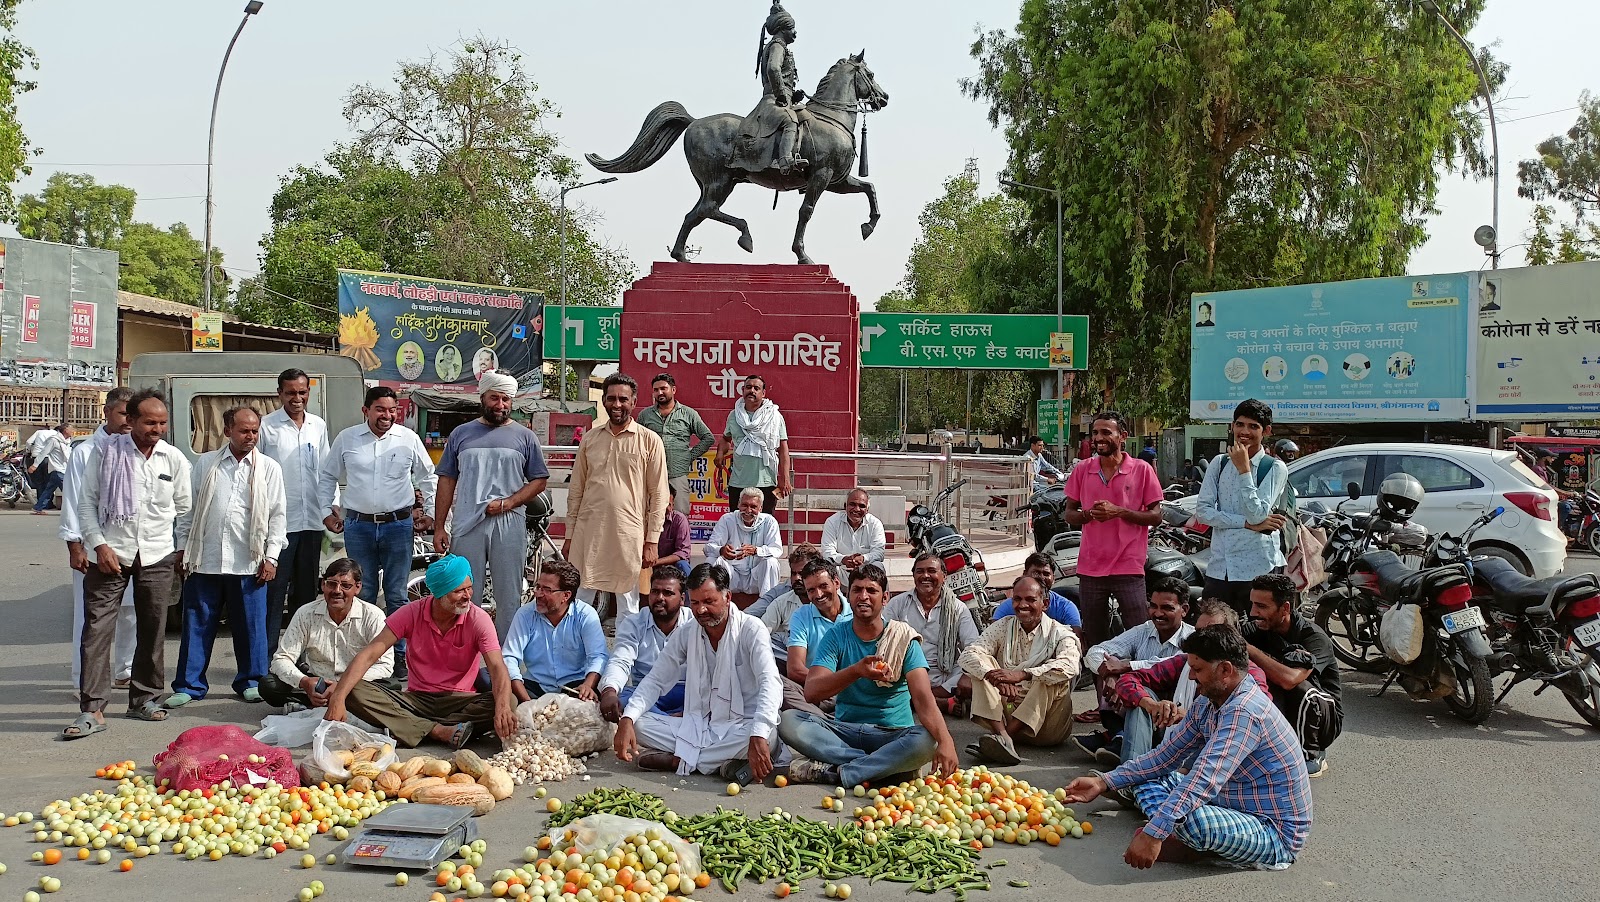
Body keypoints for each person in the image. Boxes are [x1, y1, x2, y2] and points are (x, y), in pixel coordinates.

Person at [1063, 625, 1311, 871]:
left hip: (1271, 832)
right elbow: (1165, 756)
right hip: (1225, 803)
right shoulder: (1208, 702)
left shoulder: (1245, 712)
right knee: (1146, 779)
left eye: (1197, 669)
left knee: (1194, 822)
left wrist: (1154, 832)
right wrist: (1104, 782)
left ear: (1225, 670)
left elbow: (1205, 778)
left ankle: (1187, 842)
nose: (1191, 677)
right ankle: (1184, 837)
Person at [64, 389, 192, 738]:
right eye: (149, 422)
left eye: (162, 423)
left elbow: (184, 510)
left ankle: (144, 700)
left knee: (153, 628)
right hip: (110, 554)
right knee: (96, 631)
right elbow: (86, 505)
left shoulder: (173, 459)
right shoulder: (104, 454)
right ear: (131, 421)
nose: (157, 429)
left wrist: (179, 551)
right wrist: (98, 545)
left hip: (157, 554)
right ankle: (92, 710)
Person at [779, 564, 960, 787]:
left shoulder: (903, 638)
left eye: (871, 591)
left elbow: (923, 699)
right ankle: (886, 768)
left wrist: (946, 741)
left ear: (885, 598)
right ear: (849, 594)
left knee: (926, 740)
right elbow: (812, 691)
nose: (863, 597)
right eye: (857, 590)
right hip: (845, 732)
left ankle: (839, 772)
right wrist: (856, 671)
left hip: (892, 735)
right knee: (788, 721)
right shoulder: (836, 636)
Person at [324, 555, 518, 749]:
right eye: (458, 591)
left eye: (469, 588)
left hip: (459, 701)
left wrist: (502, 708)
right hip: (416, 701)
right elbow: (369, 655)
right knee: (351, 690)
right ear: (440, 594)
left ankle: (411, 728)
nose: (468, 596)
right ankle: (438, 731)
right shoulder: (411, 613)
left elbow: (496, 667)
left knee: (508, 700)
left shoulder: (477, 618)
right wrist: (338, 698)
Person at [614, 563, 784, 785]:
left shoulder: (751, 629)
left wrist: (758, 734)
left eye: (709, 602)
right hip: (699, 724)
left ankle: (681, 761)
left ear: (727, 597)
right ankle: (716, 763)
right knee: (639, 725)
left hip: (742, 726)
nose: (701, 610)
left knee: (768, 736)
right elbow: (656, 679)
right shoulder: (688, 632)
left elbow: (770, 683)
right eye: (695, 603)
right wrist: (627, 718)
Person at [166, 407, 287, 707]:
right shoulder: (206, 464)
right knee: (197, 623)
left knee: (251, 626)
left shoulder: (269, 468)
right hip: (204, 560)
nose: (250, 437)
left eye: (255, 431)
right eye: (244, 431)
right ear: (227, 431)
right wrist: (182, 548)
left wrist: (271, 557)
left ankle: (251, 681)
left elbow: (277, 517)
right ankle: (189, 686)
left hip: (250, 562)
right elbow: (188, 511)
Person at [320, 386, 437, 659]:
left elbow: (428, 476)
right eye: (380, 409)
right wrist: (326, 511)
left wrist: (430, 512)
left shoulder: (407, 438)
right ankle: (363, 656)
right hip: (358, 526)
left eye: (392, 410)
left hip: (398, 525)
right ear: (366, 411)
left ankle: (398, 657)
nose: (387, 415)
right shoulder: (347, 439)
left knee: (397, 594)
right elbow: (327, 476)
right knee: (363, 592)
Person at [433, 370, 551, 638]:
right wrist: (440, 526)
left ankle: (506, 659)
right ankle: (464, 649)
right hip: (467, 521)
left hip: (509, 522)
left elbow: (539, 480)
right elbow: (447, 481)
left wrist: (509, 502)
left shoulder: (525, 436)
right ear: (483, 398)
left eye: (506, 400)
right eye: (495, 398)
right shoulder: (461, 434)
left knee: (509, 593)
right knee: (462, 591)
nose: (501, 405)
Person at [1061, 410, 1163, 714]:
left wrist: (1119, 512)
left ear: (1122, 437)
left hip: (1129, 567)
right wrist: (1091, 514)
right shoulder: (1083, 470)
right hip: (1091, 568)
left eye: (1106, 432)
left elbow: (1157, 515)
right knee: (1095, 641)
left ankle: (1141, 702)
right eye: (1096, 433)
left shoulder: (1141, 469)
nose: (1099, 439)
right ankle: (1104, 706)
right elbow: (1069, 514)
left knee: (1140, 634)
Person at [563, 373, 668, 621]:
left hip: (628, 534)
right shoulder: (590, 439)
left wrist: (652, 541)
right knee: (582, 601)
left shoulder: (649, 440)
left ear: (634, 402)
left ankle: (624, 660)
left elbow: (659, 495)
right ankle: (581, 657)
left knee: (628, 605)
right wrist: (569, 535)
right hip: (589, 532)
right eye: (611, 399)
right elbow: (576, 490)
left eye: (623, 399)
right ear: (603, 400)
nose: (617, 404)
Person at [1114, 597, 1269, 764]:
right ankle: (1131, 774)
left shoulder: (1249, 676)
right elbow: (1128, 680)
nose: (1199, 640)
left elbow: (1250, 722)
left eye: (1209, 634)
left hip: (1216, 756)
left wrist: (1190, 718)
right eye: (1198, 632)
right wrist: (1151, 704)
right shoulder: (1186, 662)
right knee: (1141, 702)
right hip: (1174, 739)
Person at [60, 387, 137, 692]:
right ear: (106, 412)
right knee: (90, 617)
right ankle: (84, 679)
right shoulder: (86, 451)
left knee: (130, 612)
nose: (128, 422)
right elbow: (73, 502)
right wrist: (75, 545)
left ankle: (125, 669)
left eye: (134, 415)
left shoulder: (138, 449)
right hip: (93, 547)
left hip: (130, 545)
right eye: (122, 414)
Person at [958, 576, 1080, 765]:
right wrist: (997, 679)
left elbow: (1070, 665)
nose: (1023, 605)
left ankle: (1006, 737)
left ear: (1045, 603)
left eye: (1030, 600)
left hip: (1047, 727)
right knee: (981, 664)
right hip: (1008, 709)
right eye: (1017, 599)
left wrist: (1022, 675)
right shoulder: (1004, 626)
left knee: (1052, 676)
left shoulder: (1060, 633)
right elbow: (968, 655)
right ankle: (1004, 736)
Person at [1074, 577, 1195, 765]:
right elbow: (1095, 652)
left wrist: (1126, 666)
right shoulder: (1143, 631)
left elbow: (1174, 663)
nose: (1158, 613)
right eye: (1153, 606)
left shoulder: (1193, 637)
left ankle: (1122, 746)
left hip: (1174, 714)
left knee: (1133, 684)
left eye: (1167, 608)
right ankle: (1119, 737)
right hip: (1139, 704)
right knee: (1109, 670)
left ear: (1184, 610)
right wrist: (1112, 675)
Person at [258, 369, 333, 656]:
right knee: (274, 594)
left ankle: (300, 656)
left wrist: (330, 507)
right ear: (280, 393)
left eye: (302, 392)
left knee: (305, 594)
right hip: (279, 525)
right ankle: (266, 658)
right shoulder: (267, 426)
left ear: (308, 393)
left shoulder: (318, 425)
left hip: (312, 521)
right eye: (290, 393)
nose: (297, 398)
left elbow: (325, 472)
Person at [1242, 574, 1341, 777]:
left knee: (1300, 688)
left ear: (1285, 608)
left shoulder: (1314, 638)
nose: (1253, 612)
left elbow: (1290, 680)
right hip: (1286, 710)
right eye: (1252, 605)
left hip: (1323, 718)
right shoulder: (1256, 629)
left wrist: (1250, 651)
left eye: (1261, 606)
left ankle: (1311, 754)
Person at [260, 558, 393, 709]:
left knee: (391, 687)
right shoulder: (305, 613)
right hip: (318, 683)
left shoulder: (373, 615)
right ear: (323, 585)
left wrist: (342, 685)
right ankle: (318, 701)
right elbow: (281, 659)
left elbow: (385, 665)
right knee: (269, 686)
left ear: (357, 588)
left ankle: (311, 706)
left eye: (345, 586)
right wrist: (304, 682)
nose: (337, 591)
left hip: (357, 685)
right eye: (332, 584)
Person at [1195, 398, 1288, 614]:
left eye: (1253, 426)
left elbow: (1258, 515)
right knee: (1215, 632)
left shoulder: (1274, 467)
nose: (1244, 431)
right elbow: (1203, 512)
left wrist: (1245, 470)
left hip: (1258, 568)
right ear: (1232, 426)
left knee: (1255, 634)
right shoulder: (1219, 463)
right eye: (1240, 424)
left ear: (1266, 431)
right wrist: (1245, 524)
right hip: (1220, 567)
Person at [501, 559, 608, 703]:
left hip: (575, 686)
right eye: (538, 587)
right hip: (534, 686)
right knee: (497, 687)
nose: (538, 594)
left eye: (547, 590)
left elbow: (598, 656)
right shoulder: (525, 614)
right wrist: (528, 703)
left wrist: (588, 686)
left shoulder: (585, 615)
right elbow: (509, 658)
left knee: (598, 701)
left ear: (566, 595)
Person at [599, 565, 695, 722]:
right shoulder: (634, 623)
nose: (660, 598)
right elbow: (621, 661)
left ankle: (664, 722)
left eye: (668, 593)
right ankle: (675, 722)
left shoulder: (694, 623)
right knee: (623, 703)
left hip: (687, 692)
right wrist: (609, 691)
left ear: (682, 599)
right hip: (646, 692)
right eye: (655, 591)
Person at [885, 553, 979, 711]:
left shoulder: (957, 608)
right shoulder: (898, 604)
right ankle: (939, 703)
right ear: (913, 575)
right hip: (906, 674)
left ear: (944, 576)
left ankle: (919, 699)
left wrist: (968, 675)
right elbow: (882, 638)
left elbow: (973, 646)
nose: (925, 576)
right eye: (920, 571)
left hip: (946, 677)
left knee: (974, 677)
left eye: (931, 571)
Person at [729, 2, 807, 175]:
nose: (795, 33)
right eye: (792, 28)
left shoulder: (780, 46)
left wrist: (792, 96)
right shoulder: (777, 45)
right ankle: (784, 161)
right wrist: (781, 95)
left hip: (782, 98)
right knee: (790, 121)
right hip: (772, 99)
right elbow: (773, 69)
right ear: (782, 28)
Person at [637, 373, 716, 516]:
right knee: (649, 515)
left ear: (673, 390)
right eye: (656, 390)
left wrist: (688, 457)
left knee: (679, 517)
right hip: (651, 475)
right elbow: (636, 442)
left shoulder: (688, 414)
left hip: (677, 474)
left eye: (663, 388)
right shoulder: (645, 415)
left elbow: (708, 438)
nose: (659, 393)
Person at [718, 375, 791, 515]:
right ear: (742, 390)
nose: (751, 391)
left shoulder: (774, 416)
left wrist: (785, 478)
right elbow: (726, 439)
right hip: (738, 482)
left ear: (763, 393)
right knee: (737, 524)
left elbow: (783, 449)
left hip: (766, 482)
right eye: (748, 387)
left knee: (764, 523)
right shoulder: (734, 415)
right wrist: (720, 454)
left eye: (756, 388)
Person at [705, 487, 785, 600]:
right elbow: (708, 548)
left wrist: (756, 551)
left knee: (771, 562)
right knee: (712, 561)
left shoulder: (769, 521)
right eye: (744, 505)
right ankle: (715, 601)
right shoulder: (727, 519)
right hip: (733, 575)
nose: (748, 510)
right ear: (738, 505)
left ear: (760, 508)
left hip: (756, 577)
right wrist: (721, 550)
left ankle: (767, 604)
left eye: (753, 507)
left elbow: (777, 550)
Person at [784, 559, 852, 689]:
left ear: (836, 583)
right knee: (780, 685)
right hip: (818, 689)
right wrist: (832, 684)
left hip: (852, 690)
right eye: (811, 590)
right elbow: (795, 669)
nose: (818, 595)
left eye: (823, 586)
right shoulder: (801, 615)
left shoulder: (856, 612)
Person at [991, 552, 1083, 629]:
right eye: (1036, 572)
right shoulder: (1005, 609)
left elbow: (1076, 644)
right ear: (1024, 574)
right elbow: (991, 639)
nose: (1041, 578)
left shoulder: (1066, 609)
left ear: (1045, 604)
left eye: (1046, 574)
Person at [820, 488, 885, 570]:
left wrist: (863, 558)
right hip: (840, 568)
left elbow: (879, 553)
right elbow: (827, 552)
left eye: (862, 506)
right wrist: (844, 559)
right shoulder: (832, 522)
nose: (856, 509)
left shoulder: (875, 524)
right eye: (852, 504)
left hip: (865, 570)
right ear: (845, 506)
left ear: (867, 510)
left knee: (878, 566)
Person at [29, 423, 71, 514]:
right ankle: (73, 510)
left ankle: (38, 507)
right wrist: (35, 465)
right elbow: (43, 453)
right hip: (57, 470)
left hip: (63, 469)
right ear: (65, 431)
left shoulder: (66, 442)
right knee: (68, 490)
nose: (73, 431)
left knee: (48, 490)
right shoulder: (54, 440)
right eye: (71, 429)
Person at [657, 485, 693, 577]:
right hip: (648, 565)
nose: (668, 509)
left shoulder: (679, 520)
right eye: (663, 505)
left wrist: (657, 562)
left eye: (669, 504)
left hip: (672, 566)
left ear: (673, 504)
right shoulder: (644, 519)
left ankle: (689, 591)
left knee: (683, 565)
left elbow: (683, 553)